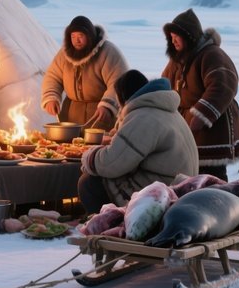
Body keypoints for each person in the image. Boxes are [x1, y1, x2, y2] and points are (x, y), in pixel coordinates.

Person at [78, 69, 198, 214]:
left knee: (89, 183)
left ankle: (106, 226)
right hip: (180, 184)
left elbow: (111, 163)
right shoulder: (165, 109)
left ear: (124, 98)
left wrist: (89, 156)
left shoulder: (143, 116)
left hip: (162, 192)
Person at [161, 9, 239, 181]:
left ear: (189, 36)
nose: (173, 40)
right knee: (192, 174)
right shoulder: (177, 61)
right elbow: (164, 86)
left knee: (212, 175)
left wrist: (201, 115)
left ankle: (218, 205)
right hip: (188, 128)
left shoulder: (212, 55)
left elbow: (222, 85)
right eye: (171, 36)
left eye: (176, 36)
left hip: (213, 128)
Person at [41, 15, 128, 130]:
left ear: (90, 36)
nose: (76, 40)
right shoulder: (64, 54)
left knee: (96, 146)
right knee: (72, 147)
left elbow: (118, 82)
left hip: (99, 115)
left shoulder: (107, 52)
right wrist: (51, 97)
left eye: (80, 36)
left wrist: (107, 106)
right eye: (73, 36)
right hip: (71, 115)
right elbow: (53, 77)